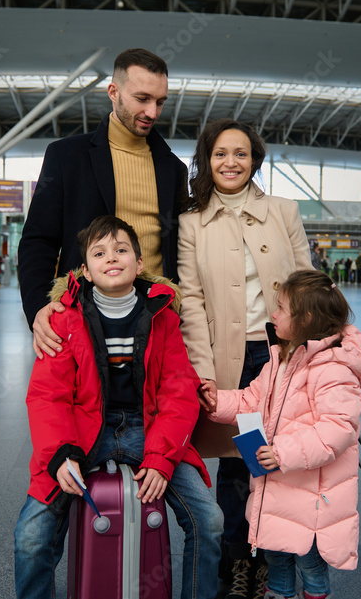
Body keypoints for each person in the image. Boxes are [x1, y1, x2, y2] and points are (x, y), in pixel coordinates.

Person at [14, 216, 222, 599]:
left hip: (149, 430)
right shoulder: (64, 319)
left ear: (139, 264)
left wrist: (161, 459)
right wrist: (61, 455)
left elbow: (178, 391)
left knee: (209, 520)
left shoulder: (163, 317)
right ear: (87, 271)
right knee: (31, 535)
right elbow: (48, 395)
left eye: (121, 249)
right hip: (82, 433)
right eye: (99, 253)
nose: (112, 258)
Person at [177, 118, 312, 599]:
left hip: (280, 355)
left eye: (240, 153)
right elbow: (189, 300)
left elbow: (307, 283)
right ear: (206, 160)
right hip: (229, 359)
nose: (230, 162)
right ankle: (239, 561)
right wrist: (204, 370)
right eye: (219, 153)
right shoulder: (191, 223)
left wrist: (317, 352)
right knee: (237, 464)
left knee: (279, 460)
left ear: (254, 159)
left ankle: (275, 559)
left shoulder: (283, 210)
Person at [199, 270, 361, 599]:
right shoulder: (278, 359)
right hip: (276, 494)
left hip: (311, 501)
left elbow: (337, 430)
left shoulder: (333, 369)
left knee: (310, 568)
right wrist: (215, 399)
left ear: (306, 318)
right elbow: (251, 401)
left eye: (280, 308)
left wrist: (283, 453)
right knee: (276, 560)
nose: (273, 314)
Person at [17, 48, 188, 360]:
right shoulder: (66, 157)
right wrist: (39, 308)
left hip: (154, 323)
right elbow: (38, 241)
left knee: (157, 408)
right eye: (142, 98)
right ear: (114, 92)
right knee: (80, 406)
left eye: (160, 101)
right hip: (81, 319)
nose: (153, 112)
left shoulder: (173, 169)